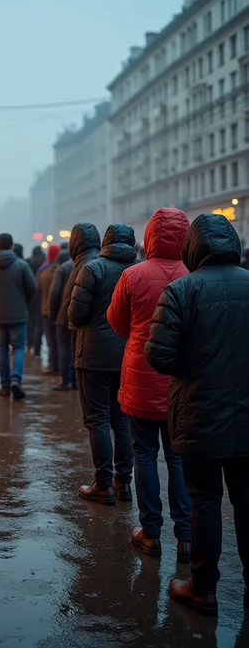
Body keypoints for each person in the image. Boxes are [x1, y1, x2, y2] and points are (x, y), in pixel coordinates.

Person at [146, 213, 249, 616]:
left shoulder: (180, 291)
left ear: (193, 248)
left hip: (199, 412)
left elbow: (159, 355)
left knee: (204, 500)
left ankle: (202, 588)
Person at [107, 208, 191, 563]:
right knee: (177, 459)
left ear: (149, 237)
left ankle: (150, 532)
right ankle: (186, 536)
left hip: (141, 376)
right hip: (180, 382)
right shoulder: (194, 275)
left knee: (143, 453)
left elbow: (117, 322)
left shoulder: (132, 275)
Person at [69, 224, 136, 505]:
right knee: (121, 421)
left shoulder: (92, 269)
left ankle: (104, 483)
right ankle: (124, 483)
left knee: (97, 419)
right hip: (126, 356)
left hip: (94, 356)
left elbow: (76, 314)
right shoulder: (137, 271)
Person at [0, 233, 37, 399]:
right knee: (18, 348)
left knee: (2, 348)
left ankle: (4, 385)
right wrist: (24, 301)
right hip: (19, 314)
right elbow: (33, 287)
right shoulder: (22, 266)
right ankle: (16, 379)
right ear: (12, 246)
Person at [49, 248, 76, 391]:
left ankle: (66, 381)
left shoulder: (63, 268)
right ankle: (77, 381)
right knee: (78, 349)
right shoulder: (93, 264)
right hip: (83, 316)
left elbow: (54, 293)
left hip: (64, 315)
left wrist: (53, 314)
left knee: (64, 348)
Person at [37, 244, 61, 374]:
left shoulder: (43, 270)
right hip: (61, 311)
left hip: (46, 310)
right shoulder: (65, 269)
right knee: (61, 340)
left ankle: (53, 364)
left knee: (50, 339)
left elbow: (37, 289)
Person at [26, 246, 45, 356]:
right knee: (39, 324)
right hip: (41, 297)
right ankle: (37, 349)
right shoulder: (44, 263)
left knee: (30, 322)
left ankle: (29, 344)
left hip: (30, 297)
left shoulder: (28, 262)